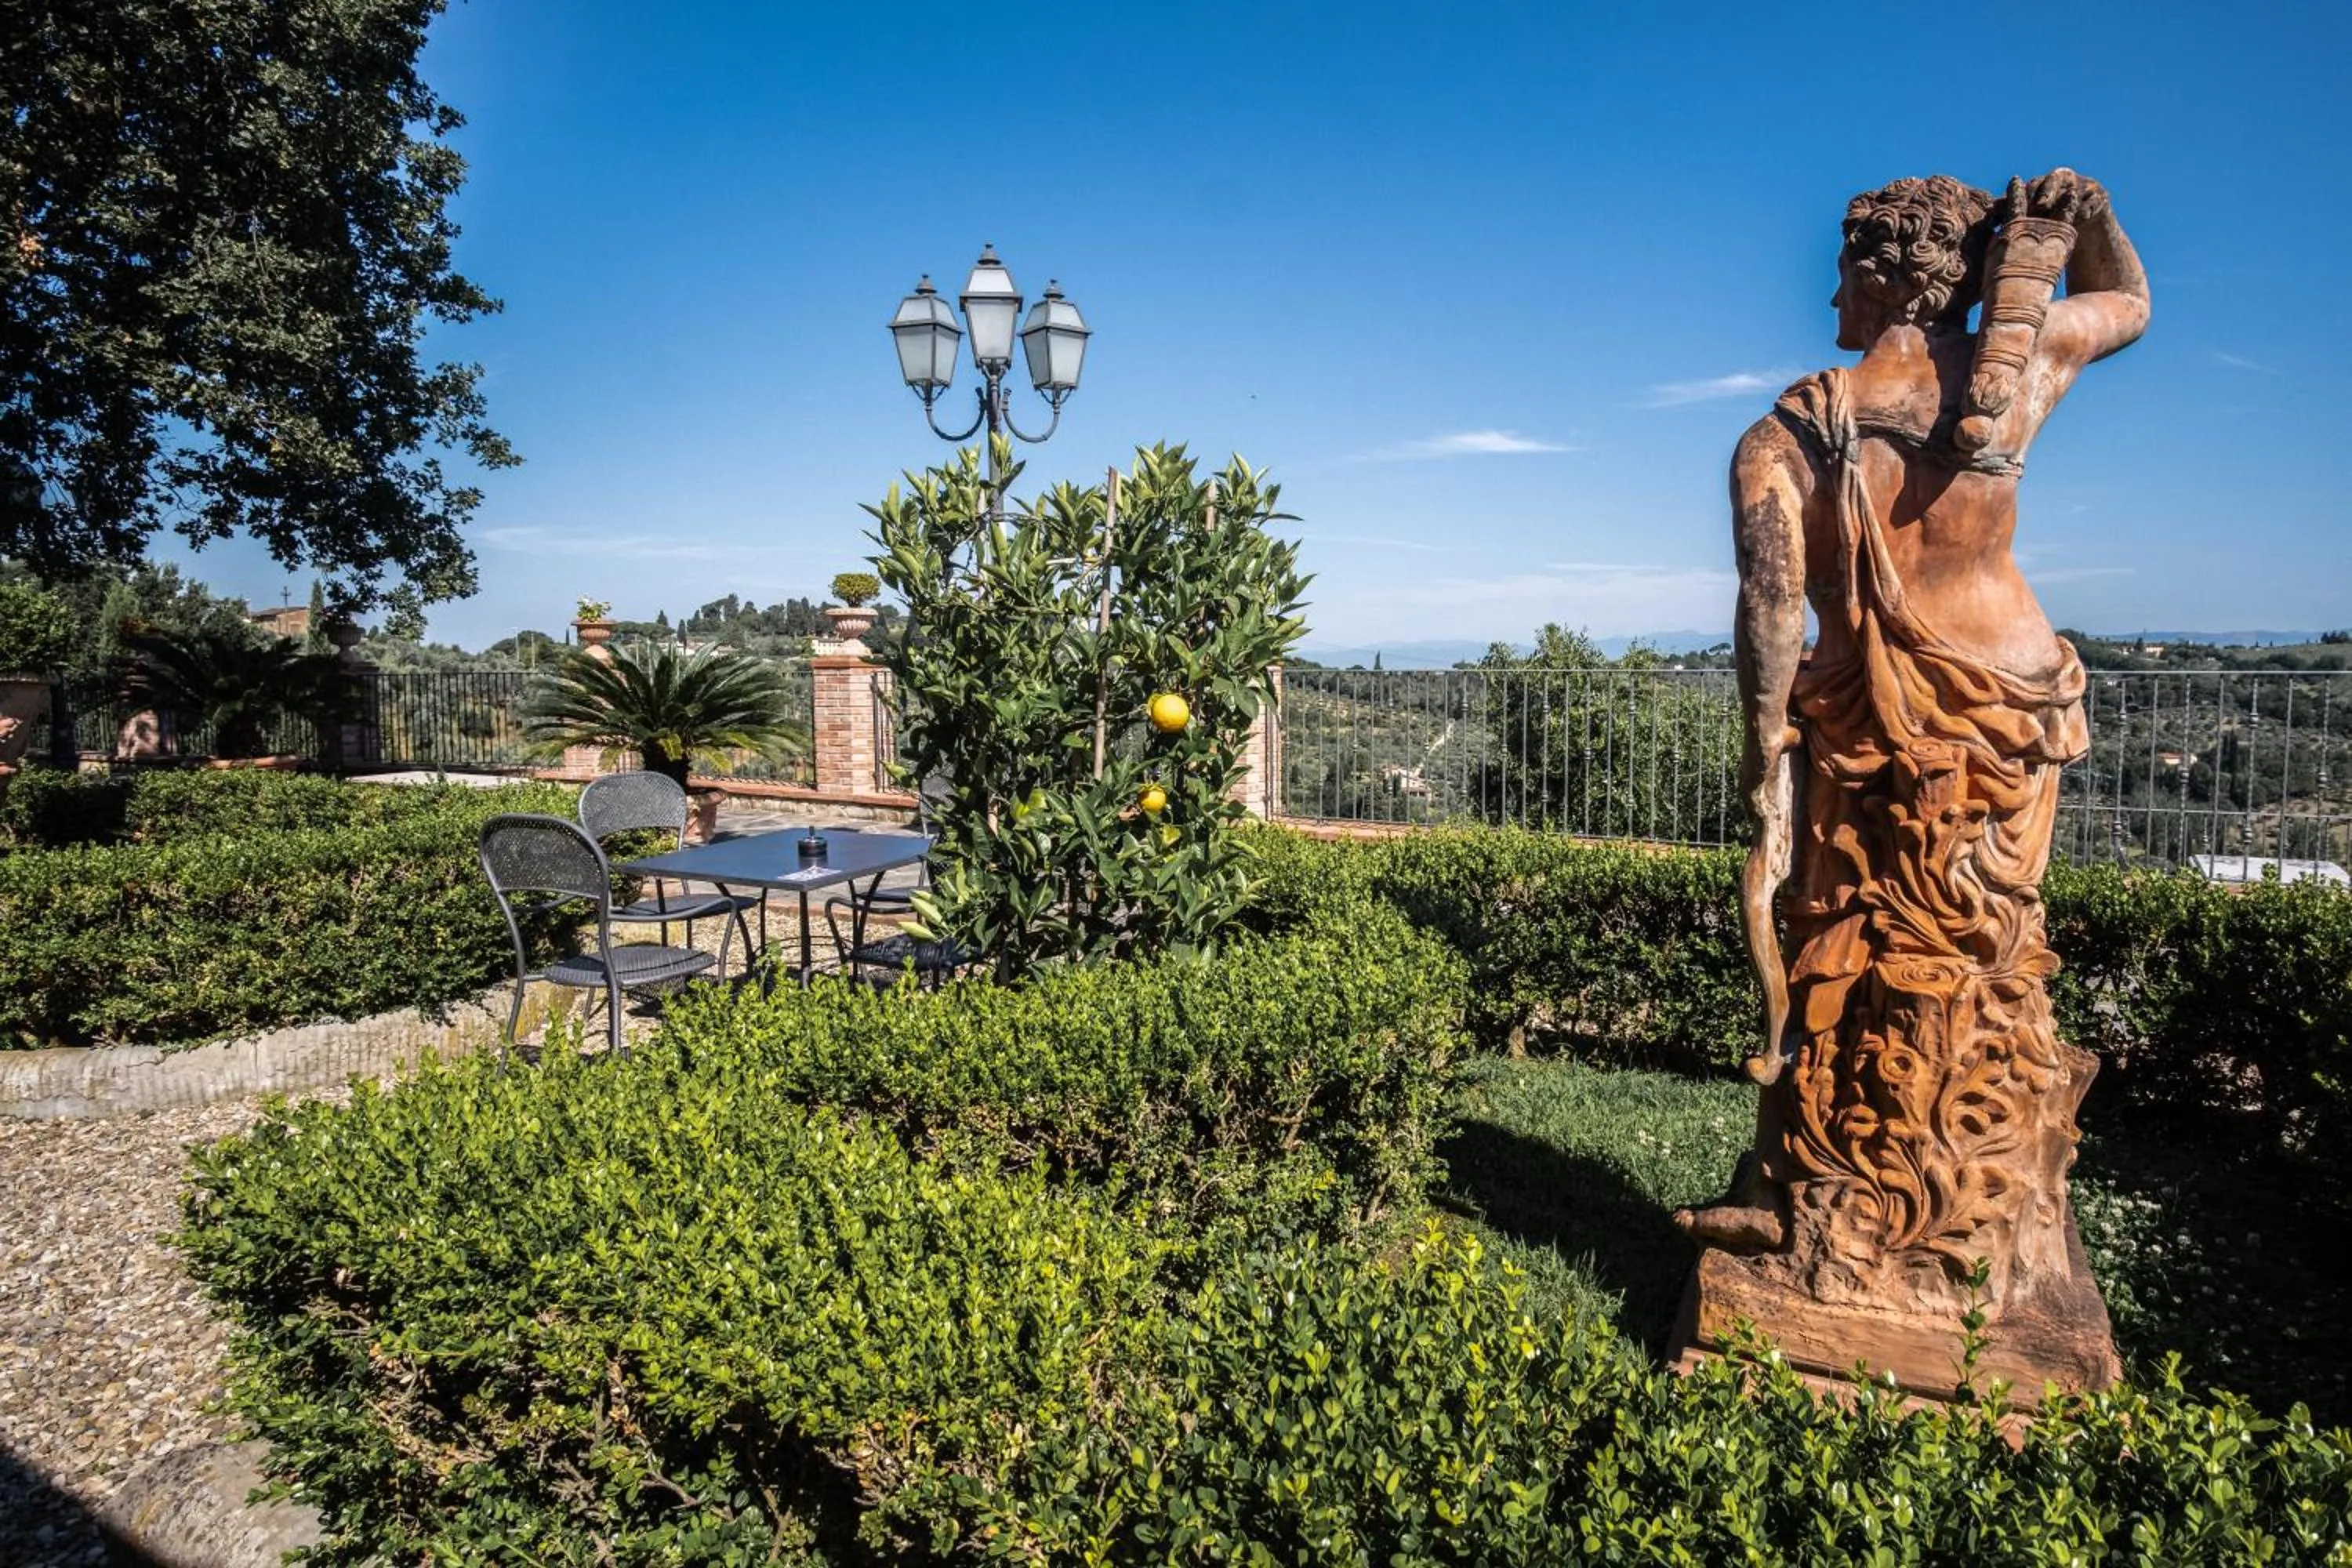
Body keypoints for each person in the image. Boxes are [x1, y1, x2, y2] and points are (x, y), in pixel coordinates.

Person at [1680, 171, 2147, 1312]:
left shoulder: (1796, 428)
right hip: (2013, 708)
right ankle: (1968, 1207)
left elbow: (1770, 613)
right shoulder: (2022, 372)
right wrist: (2092, 227)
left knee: (1854, 951)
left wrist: (1761, 756)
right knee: (1984, 951)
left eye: (1843, 265)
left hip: (1871, 735)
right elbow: (2128, 302)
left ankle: (1858, 1209)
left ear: (1880, 273)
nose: (1832, 287)